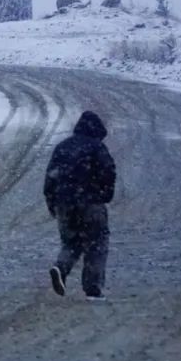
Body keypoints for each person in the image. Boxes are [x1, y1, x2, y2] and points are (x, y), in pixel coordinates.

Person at [43, 110, 117, 300]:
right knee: (97, 243)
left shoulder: (62, 147)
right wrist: (104, 195)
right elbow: (108, 172)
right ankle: (93, 289)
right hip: (91, 203)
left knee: (71, 242)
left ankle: (61, 267)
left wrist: (52, 202)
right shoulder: (97, 148)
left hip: (64, 203)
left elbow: (51, 176)